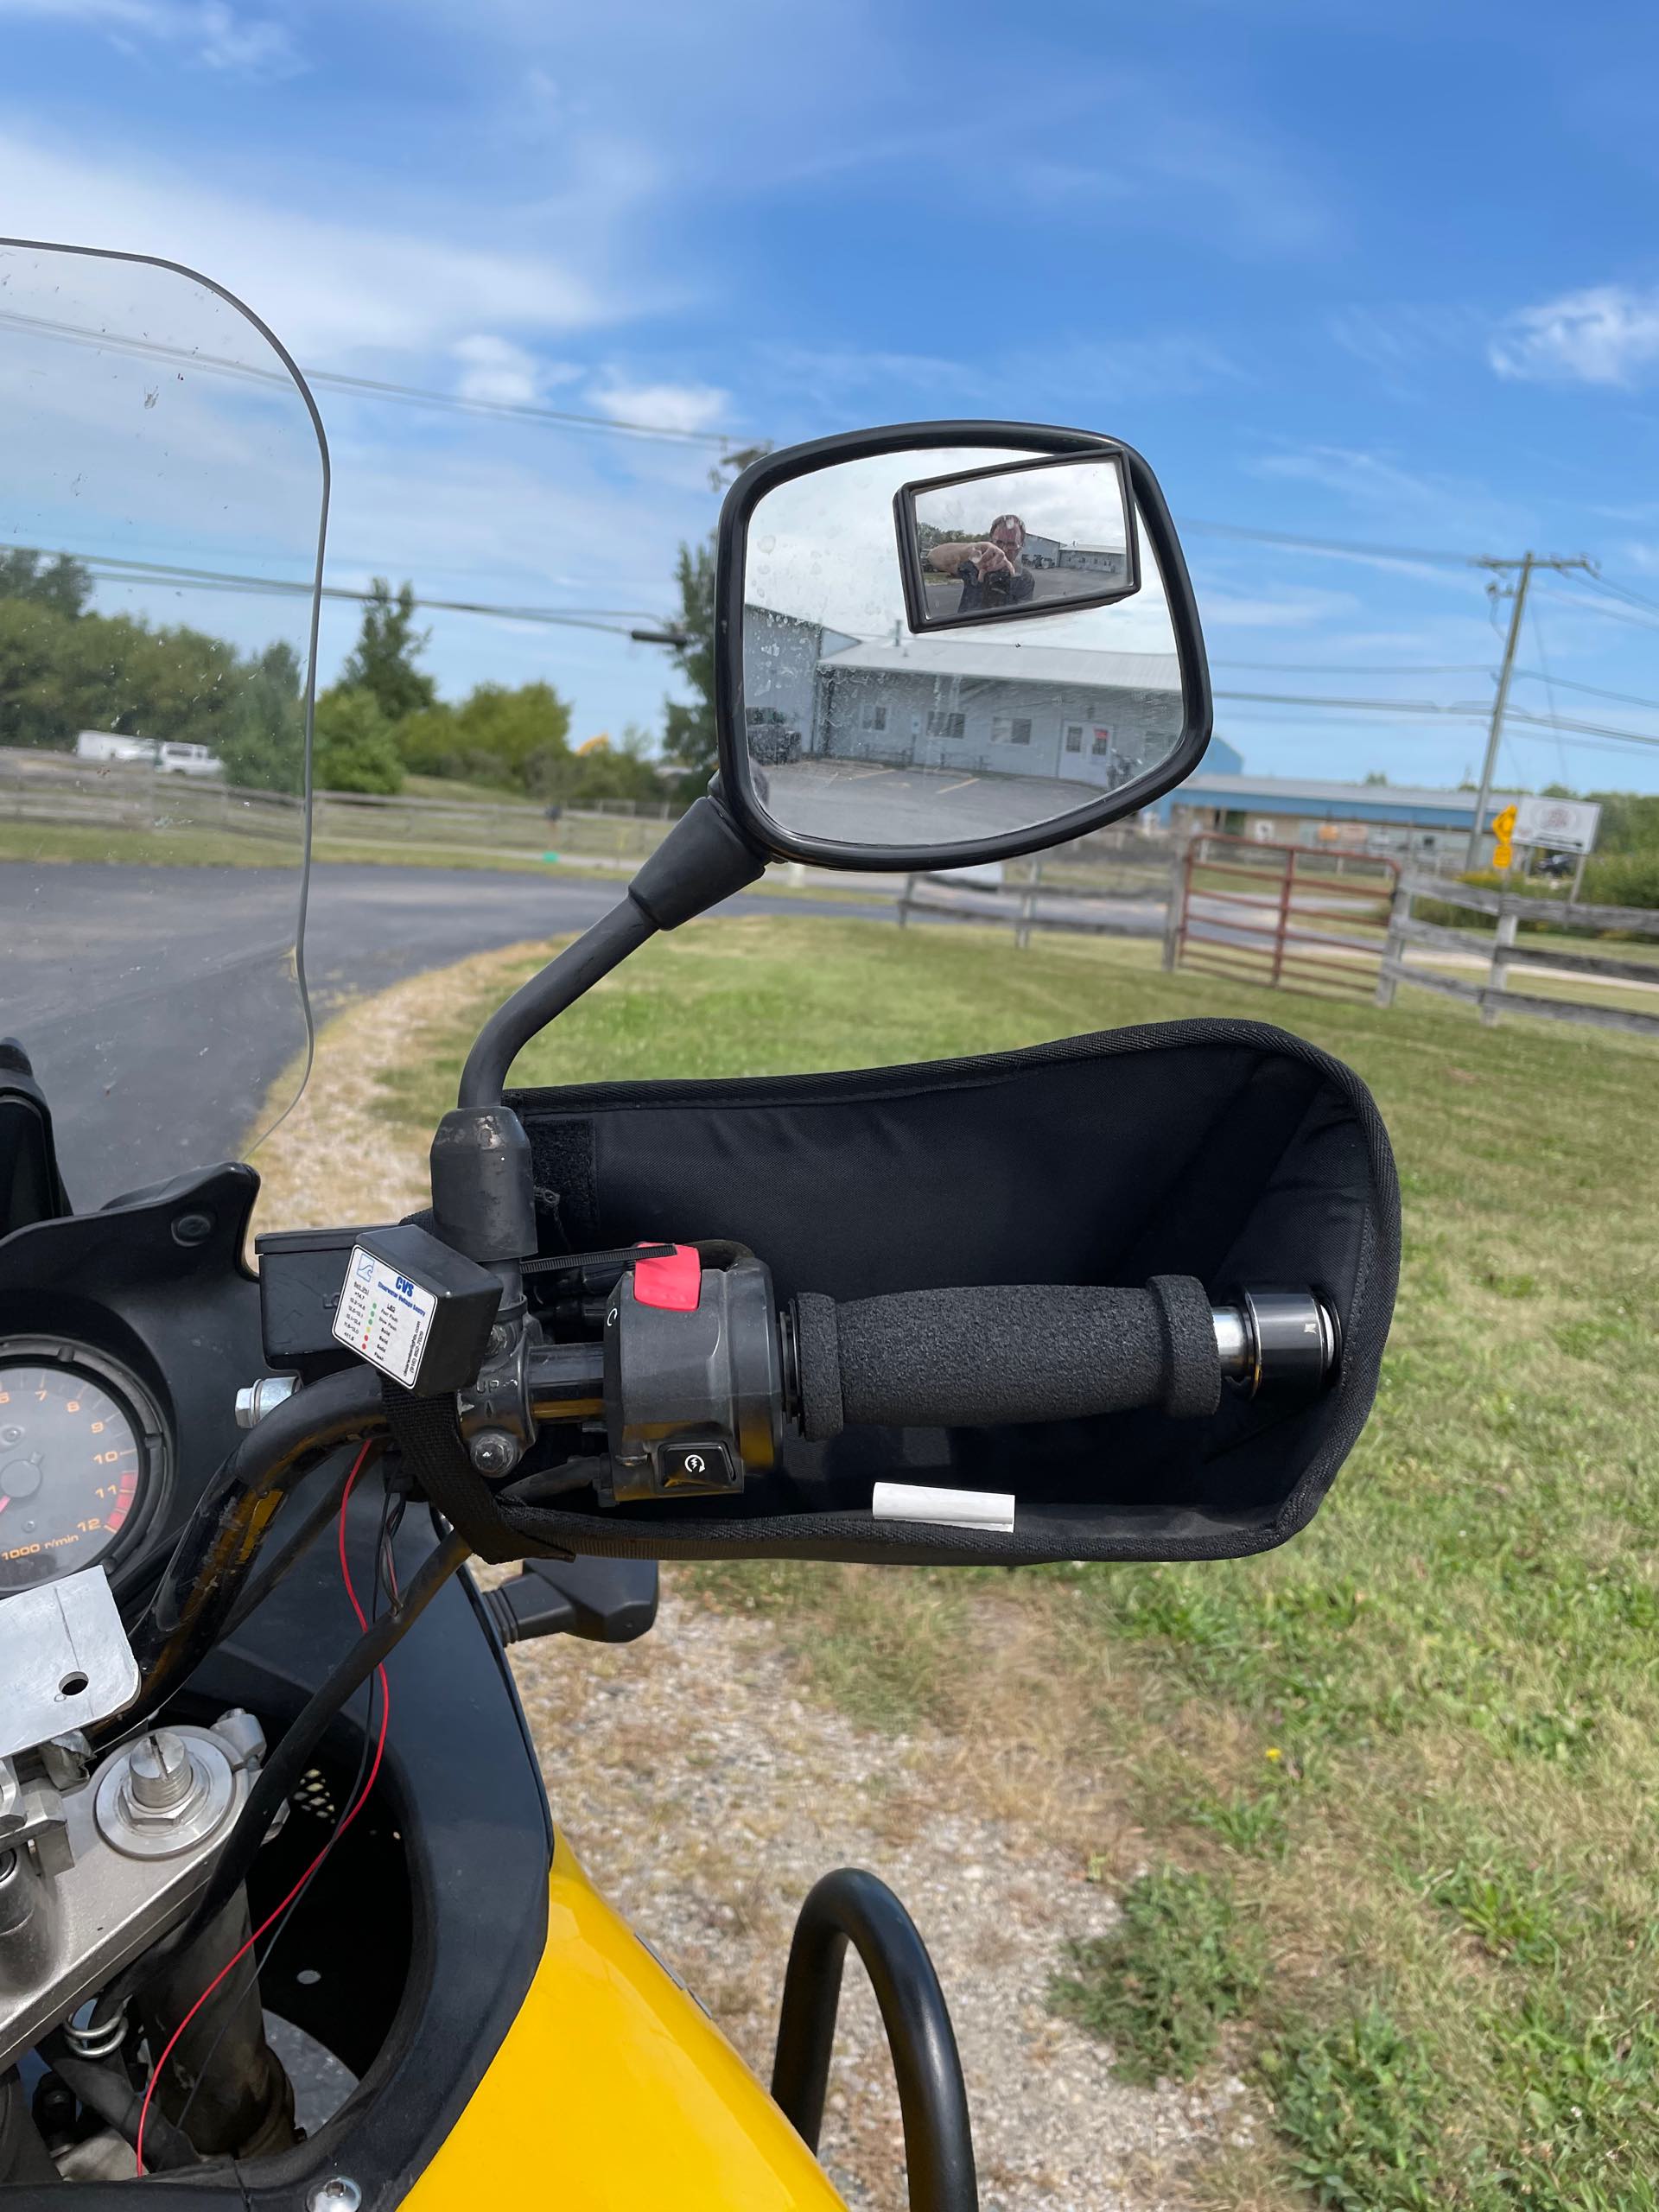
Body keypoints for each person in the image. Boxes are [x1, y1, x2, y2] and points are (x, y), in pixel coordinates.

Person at [922, 512, 1036, 613]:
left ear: (1020, 547)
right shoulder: (975, 564)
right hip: (964, 631)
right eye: (999, 542)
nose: (1004, 550)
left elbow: (1021, 617)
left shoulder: (1024, 578)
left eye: (1011, 544)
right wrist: (971, 549)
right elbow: (933, 556)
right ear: (990, 541)